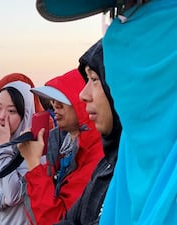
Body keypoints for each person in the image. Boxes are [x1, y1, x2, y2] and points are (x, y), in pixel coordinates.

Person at [36, 0, 177, 224]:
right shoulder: (125, 159)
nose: (114, 36)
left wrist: (34, 166)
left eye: (134, 8)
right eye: (114, 12)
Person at [17, 69, 103, 225]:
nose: (54, 105)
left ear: (82, 102)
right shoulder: (65, 145)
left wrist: (34, 164)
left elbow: (56, 220)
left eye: (62, 100)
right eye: (52, 100)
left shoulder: (95, 154)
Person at [55, 40, 122, 225]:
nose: (82, 95)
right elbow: (70, 220)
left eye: (94, 79)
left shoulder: (149, 171)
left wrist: (34, 164)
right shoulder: (109, 161)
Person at [0, 80, 35, 225]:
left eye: (11, 111)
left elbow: (13, 195)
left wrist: (4, 144)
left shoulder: (34, 146)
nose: (2, 116)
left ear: (25, 114)